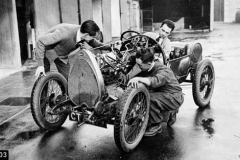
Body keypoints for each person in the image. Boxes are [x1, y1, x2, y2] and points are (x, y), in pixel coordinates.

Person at [126, 48, 184, 136]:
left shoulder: (163, 70)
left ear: (149, 63)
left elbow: (155, 80)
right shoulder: (147, 67)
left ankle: (155, 126)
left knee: (150, 99)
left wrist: (138, 79)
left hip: (174, 97)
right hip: (162, 94)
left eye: (139, 65)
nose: (138, 67)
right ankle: (169, 111)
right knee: (146, 95)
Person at [35, 20, 111, 79]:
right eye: (92, 37)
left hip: (62, 54)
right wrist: (40, 65)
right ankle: (41, 98)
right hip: (48, 49)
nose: (92, 39)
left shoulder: (83, 33)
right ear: (86, 35)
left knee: (69, 79)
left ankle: (65, 95)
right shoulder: (64, 33)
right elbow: (40, 41)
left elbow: (95, 43)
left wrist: (110, 47)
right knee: (43, 78)